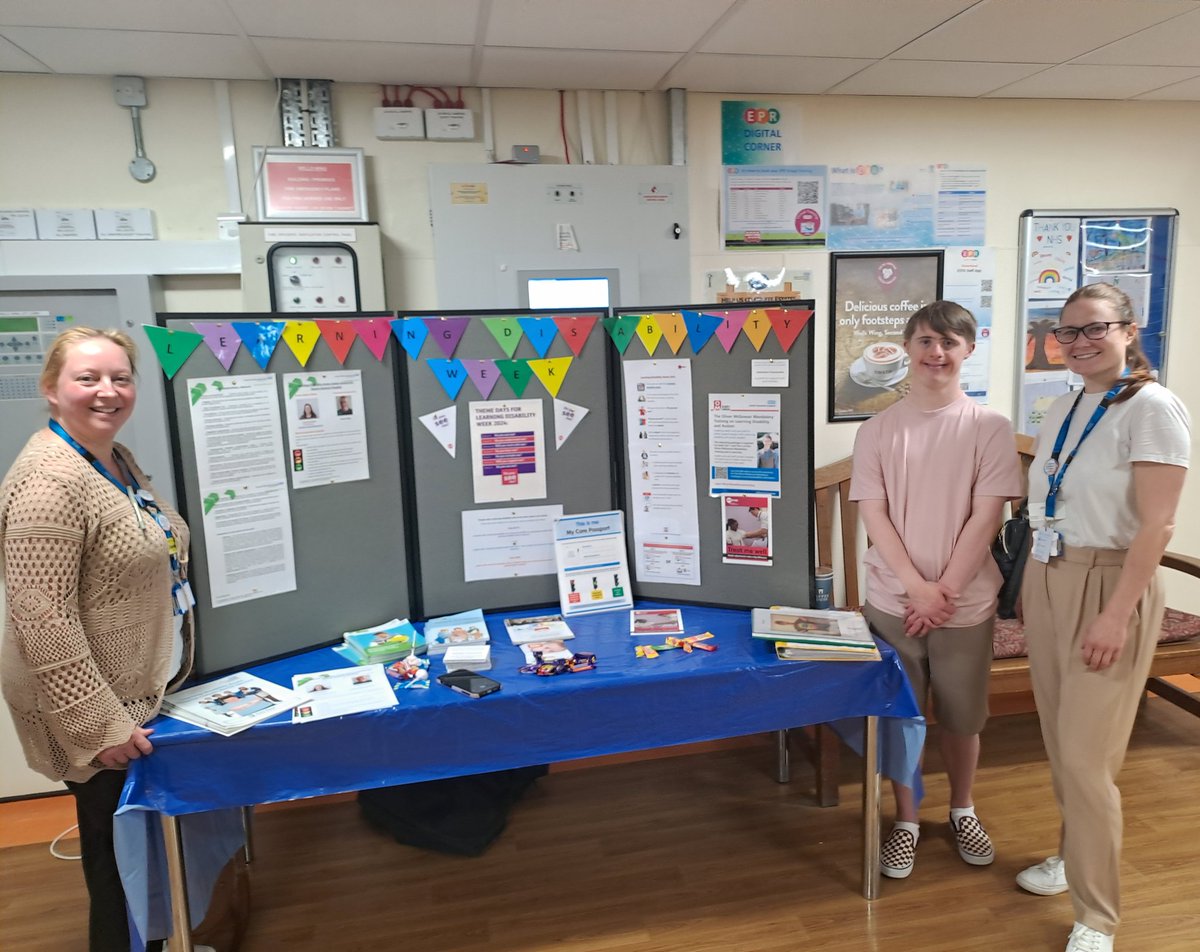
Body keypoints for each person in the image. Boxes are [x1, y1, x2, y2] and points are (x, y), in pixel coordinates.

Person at [0, 327, 194, 952]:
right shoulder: (48, 483)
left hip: (136, 688)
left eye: (121, 377)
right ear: (52, 390)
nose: (108, 392)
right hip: (94, 710)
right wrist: (97, 726)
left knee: (142, 855)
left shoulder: (111, 458)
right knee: (120, 869)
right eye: (88, 379)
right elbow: (41, 617)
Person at [1016, 283, 1189, 952]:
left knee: (1088, 760)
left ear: (1129, 330)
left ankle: (1097, 916)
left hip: (1112, 585)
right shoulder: (1063, 405)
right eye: (1069, 332)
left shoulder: (1152, 408)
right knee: (1063, 744)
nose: (1081, 342)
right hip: (1049, 577)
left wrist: (1117, 616)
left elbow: (1158, 525)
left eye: (1097, 328)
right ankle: (1072, 853)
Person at [849, 301, 1022, 881]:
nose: (936, 354)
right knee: (902, 715)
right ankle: (906, 819)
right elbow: (875, 514)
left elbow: (986, 517)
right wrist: (915, 589)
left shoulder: (989, 428)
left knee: (963, 716)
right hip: (892, 601)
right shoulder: (877, 430)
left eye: (949, 342)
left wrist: (940, 591)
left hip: (965, 604)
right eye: (925, 341)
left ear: (968, 350)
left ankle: (963, 807)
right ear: (908, 347)